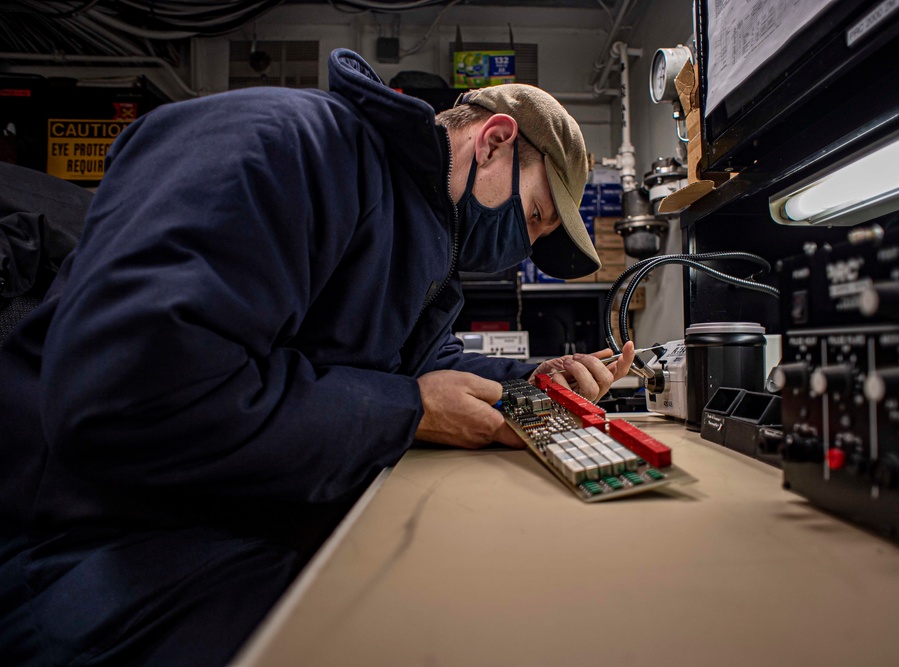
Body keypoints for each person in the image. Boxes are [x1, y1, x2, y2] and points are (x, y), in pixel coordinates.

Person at [0, 49, 636, 665]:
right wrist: (407, 413)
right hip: (89, 549)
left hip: (218, 514)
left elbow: (418, 365)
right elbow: (126, 400)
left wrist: (535, 379)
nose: (521, 249)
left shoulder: (424, 235)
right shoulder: (287, 146)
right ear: (494, 141)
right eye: (532, 217)